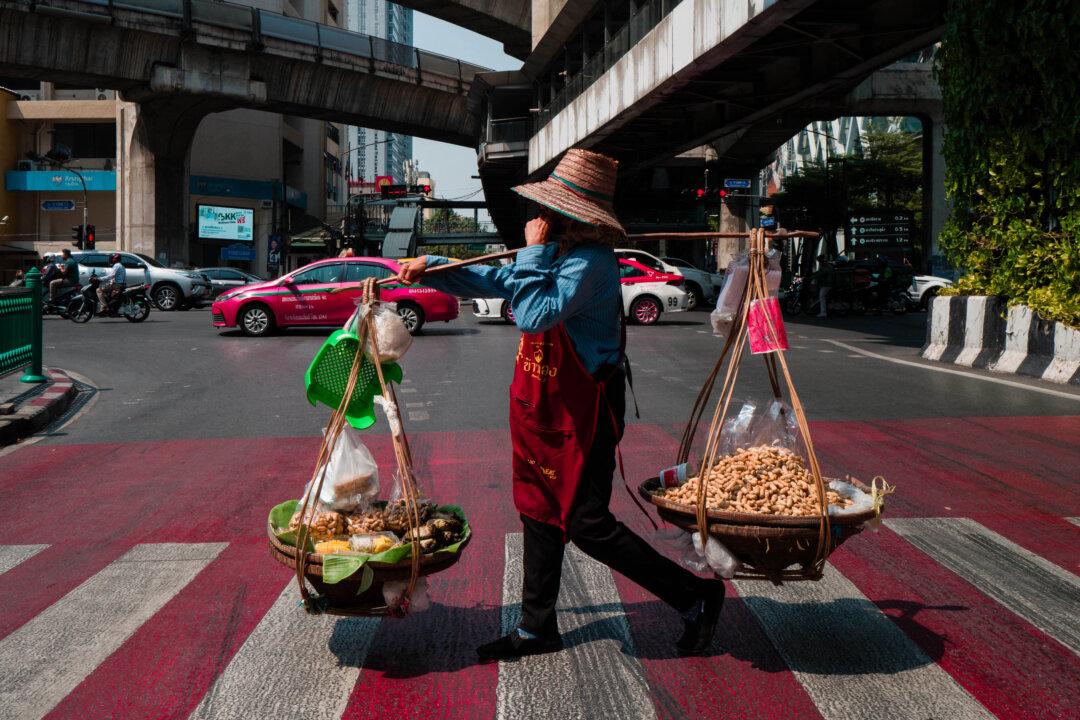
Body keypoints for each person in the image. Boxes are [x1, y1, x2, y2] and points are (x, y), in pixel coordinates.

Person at [397, 148, 724, 660]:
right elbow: (497, 279)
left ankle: (696, 596)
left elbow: (533, 314)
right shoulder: (557, 253)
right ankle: (536, 629)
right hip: (543, 408)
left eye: (548, 210)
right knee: (538, 512)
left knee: (587, 523)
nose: (538, 218)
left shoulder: (590, 262)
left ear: (571, 216)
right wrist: (433, 268)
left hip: (585, 409)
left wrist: (530, 250)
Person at [813, 254, 833, 318]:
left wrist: (813, 276)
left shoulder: (825, 265)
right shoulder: (826, 265)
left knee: (821, 297)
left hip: (826, 284)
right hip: (826, 284)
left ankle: (823, 312)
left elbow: (821, 273)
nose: (819, 262)